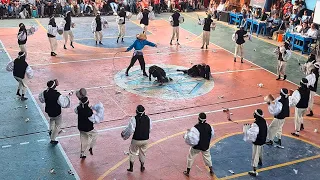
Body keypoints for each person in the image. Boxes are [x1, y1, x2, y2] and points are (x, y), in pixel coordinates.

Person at [38, 79, 72, 144]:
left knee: (52, 119)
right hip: (56, 112)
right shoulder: (57, 95)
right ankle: (53, 138)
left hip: (49, 111)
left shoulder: (45, 92)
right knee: (57, 125)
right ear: (54, 86)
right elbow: (64, 103)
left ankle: (50, 129)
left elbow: (41, 100)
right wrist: (68, 96)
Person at [121, 105, 152, 172]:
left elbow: (130, 130)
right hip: (145, 139)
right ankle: (142, 166)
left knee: (132, 152)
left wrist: (124, 135)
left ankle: (131, 168)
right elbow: (150, 129)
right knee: (143, 153)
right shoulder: (148, 118)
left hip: (136, 139)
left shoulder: (133, 119)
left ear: (136, 111)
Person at [183, 112, 214, 177]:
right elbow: (212, 135)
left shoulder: (195, 128)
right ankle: (211, 170)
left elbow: (192, 140)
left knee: (191, 157)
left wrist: (186, 135)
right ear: (205, 119)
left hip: (197, 147)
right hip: (205, 146)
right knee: (208, 157)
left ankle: (188, 172)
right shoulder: (209, 126)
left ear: (198, 119)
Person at [243, 109, 267, 177]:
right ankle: (260, 161)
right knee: (260, 152)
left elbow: (252, 135)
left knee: (255, 155)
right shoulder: (264, 121)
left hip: (258, 142)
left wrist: (246, 130)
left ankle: (254, 170)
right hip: (262, 140)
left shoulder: (255, 124)